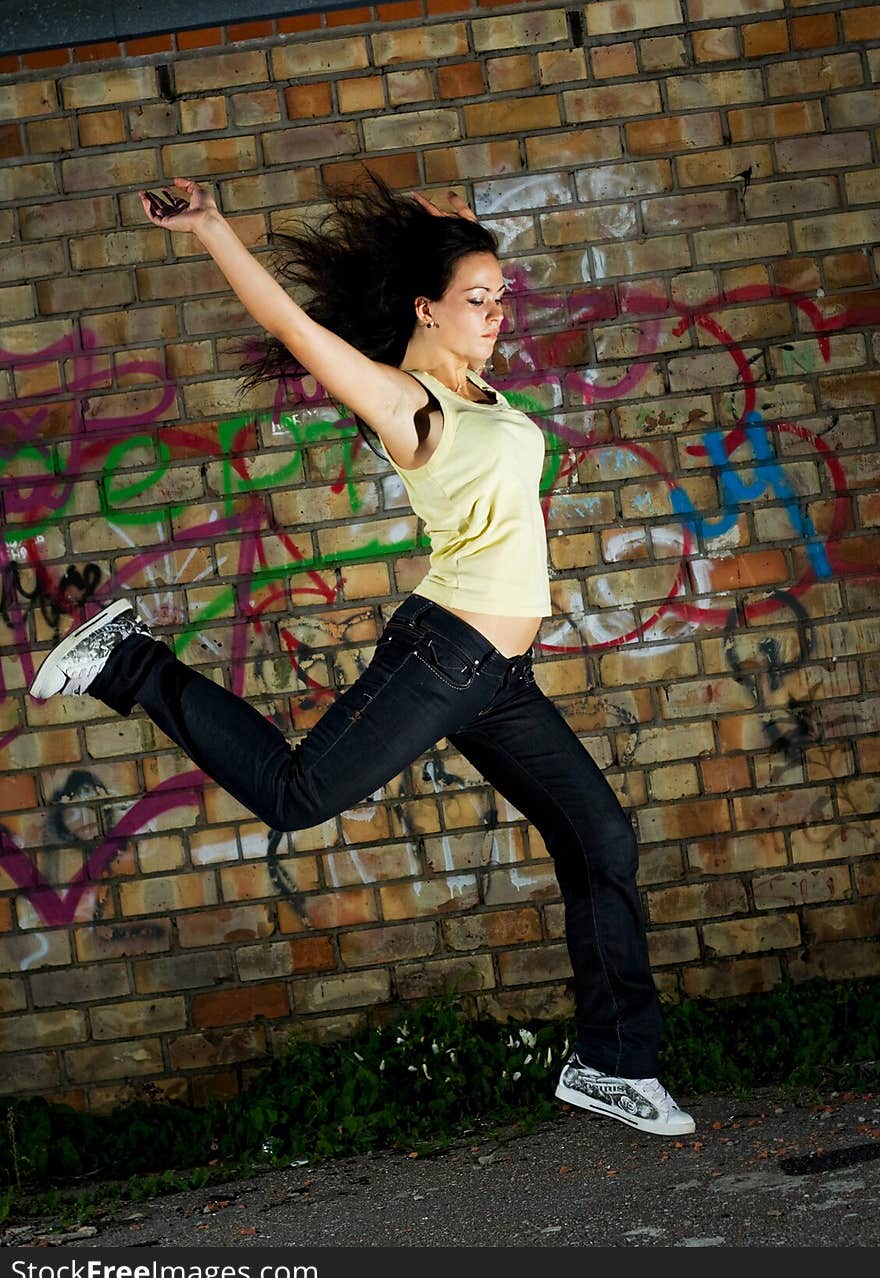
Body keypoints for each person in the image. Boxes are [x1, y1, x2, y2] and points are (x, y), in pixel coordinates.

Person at [31, 174, 694, 1137]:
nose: (497, 315)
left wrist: (439, 229)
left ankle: (614, 1065)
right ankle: (128, 661)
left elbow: (445, 292)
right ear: (426, 311)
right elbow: (298, 332)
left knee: (602, 841)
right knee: (297, 794)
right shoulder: (409, 402)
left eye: (502, 297)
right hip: (446, 654)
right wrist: (215, 229)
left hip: (495, 679)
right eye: (477, 299)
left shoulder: (480, 391)